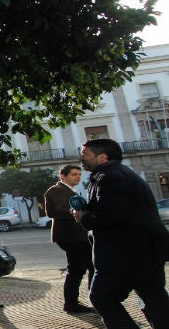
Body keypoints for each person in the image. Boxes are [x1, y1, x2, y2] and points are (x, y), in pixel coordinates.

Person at [72, 139, 169, 329]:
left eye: (85, 154)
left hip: (124, 253)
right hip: (145, 251)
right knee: (154, 297)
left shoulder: (110, 178)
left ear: (103, 157)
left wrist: (83, 218)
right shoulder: (117, 174)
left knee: (101, 298)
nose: (81, 158)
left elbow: (111, 217)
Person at [44, 164, 95, 313]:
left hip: (75, 235)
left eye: (79, 174)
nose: (78, 177)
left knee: (76, 269)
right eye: (74, 174)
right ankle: (98, 300)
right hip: (69, 236)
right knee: (92, 265)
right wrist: (75, 213)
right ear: (63, 176)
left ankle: (71, 304)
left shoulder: (71, 191)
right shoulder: (56, 190)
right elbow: (52, 212)